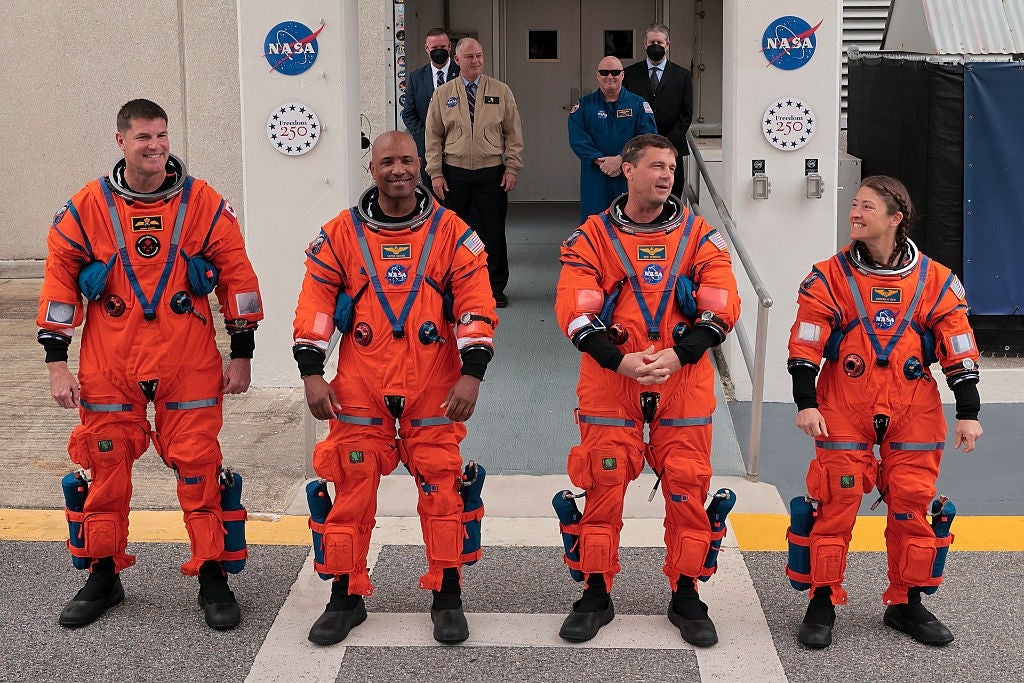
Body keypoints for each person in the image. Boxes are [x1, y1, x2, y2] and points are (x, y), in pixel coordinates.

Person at [38, 99, 264, 631]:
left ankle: (213, 572)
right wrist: (56, 364)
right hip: (109, 359)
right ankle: (102, 572)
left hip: (186, 358)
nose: (156, 145)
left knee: (197, 464)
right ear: (121, 141)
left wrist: (243, 353)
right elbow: (58, 284)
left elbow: (238, 275)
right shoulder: (86, 207)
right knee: (106, 464)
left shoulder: (203, 202)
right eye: (144, 137)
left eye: (161, 135)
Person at [292, 130, 498, 646]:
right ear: (372, 169)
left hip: (435, 381)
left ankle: (447, 595)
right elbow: (316, 304)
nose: (398, 170)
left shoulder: (452, 233)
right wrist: (312, 372)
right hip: (361, 383)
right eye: (387, 162)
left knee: (442, 486)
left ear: (420, 166)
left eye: (407, 160)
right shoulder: (340, 234)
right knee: (351, 487)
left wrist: (472, 373)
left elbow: (475, 303)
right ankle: (346, 596)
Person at [553, 134, 740, 646]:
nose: (667, 175)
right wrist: (622, 361)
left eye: (672, 168)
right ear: (627, 171)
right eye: (656, 166)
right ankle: (595, 593)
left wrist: (680, 354)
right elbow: (576, 310)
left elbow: (721, 306)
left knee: (686, 486)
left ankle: (686, 593)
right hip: (613, 380)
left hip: (683, 378)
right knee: (603, 483)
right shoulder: (591, 238)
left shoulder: (700, 236)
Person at [786, 175, 982, 649]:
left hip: (912, 405)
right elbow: (806, 342)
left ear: (895, 219)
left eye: (866, 207)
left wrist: (968, 410)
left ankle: (906, 603)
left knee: (913, 502)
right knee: (835, 502)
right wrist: (806, 401)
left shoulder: (935, 280)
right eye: (854, 204)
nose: (854, 213)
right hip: (843, 406)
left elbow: (958, 345)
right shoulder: (828, 276)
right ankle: (822, 599)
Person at [425, 37, 524, 308]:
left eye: (479, 55)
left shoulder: (500, 91)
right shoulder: (443, 94)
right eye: (469, 57)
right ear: (457, 60)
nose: (476, 61)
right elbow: (433, 136)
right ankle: (456, 285)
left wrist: (512, 167)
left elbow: (513, 133)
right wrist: (435, 172)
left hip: (491, 172)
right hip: (454, 173)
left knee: (493, 231)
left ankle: (495, 287)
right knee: (455, 232)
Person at [568, 56, 657, 223]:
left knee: (631, 222)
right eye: (604, 72)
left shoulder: (638, 104)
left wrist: (620, 159)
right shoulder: (584, 106)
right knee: (594, 224)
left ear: (622, 75)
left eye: (615, 72)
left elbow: (647, 138)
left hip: (629, 175)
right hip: (595, 176)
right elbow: (577, 138)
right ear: (597, 75)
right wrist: (600, 161)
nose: (610, 76)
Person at [623, 23, 693, 199]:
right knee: (639, 194)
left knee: (671, 195)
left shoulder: (682, 75)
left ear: (667, 45)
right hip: (638, 148)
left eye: (660, 43)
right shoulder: (629, 74)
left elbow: (686, 114)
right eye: (652, 41)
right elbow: (625, 111)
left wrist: (666, 142)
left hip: (672, 147)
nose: (656, 46)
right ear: (645, 44)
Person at [401, 27, 460, 189]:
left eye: (443, 47)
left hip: (457, 149)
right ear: (427, 49)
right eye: (435, 48)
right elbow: (408, 113)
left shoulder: (462, 73)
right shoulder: (416, 77)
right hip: (427, 150)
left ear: (449, 47)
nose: (439, 51)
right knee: (433, 196)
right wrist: (427, 136)